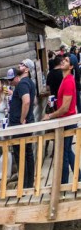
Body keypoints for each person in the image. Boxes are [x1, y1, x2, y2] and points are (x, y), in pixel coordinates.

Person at [43, 54, 77, 185]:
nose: (63, 61)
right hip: (66, 120)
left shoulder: (68, 81)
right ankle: (77, 178)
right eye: (63, 59)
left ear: (72, 66)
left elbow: (65, 108)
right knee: (67, 151)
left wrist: (50, 116)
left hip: (67, 120)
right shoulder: (65, 79)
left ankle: (63, 184)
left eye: (67, 60)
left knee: (64, 153)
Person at [9, 59, 37, 188]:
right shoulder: (29, 82)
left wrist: (21, 119)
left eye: (22, 65)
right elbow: (31, 101)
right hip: (27, 123)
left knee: (21, 155)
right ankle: (28, 183)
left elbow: (26, 101)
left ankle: (24, 185)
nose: (19, 66)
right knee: (28, 153)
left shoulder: (23, 83)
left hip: (20, 126)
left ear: (27, 69)